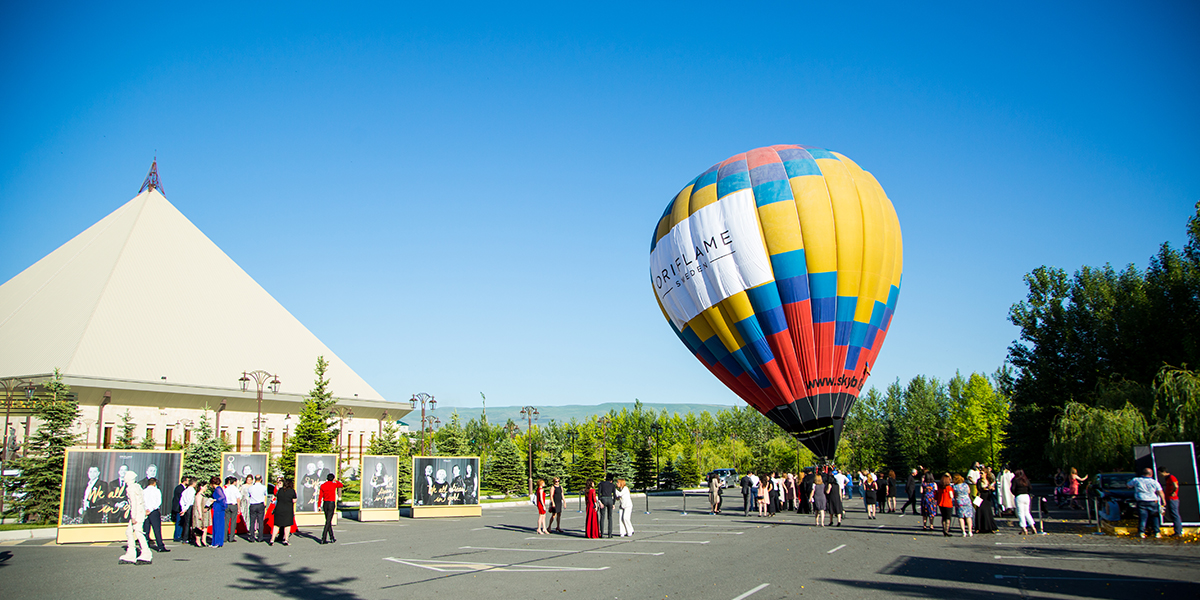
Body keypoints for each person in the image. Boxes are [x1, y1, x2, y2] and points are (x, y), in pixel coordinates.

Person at [118, 471, 152, 564]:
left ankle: (146, 552)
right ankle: (131, 552)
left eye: (126, 476)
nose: (124, 477)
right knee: (129, 531)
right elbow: (142, 500)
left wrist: (133, 516)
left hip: (137, 513)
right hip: (140, 512)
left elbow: (134, 503)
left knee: (138, 532)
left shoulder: (131, 488)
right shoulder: (137, 486)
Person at [1127, 467, 1165, 539]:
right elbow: (1160, 491)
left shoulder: (1136, 480)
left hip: (1141, 500)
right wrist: (1163, 500)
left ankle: (1141, 532)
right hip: (1153, 500)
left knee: (1143, 517)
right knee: (1154, 517)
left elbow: (1128, 485)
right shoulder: (1154, 482)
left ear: (1143, 473)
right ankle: (1157, 532)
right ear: (1151, 474)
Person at [142, 477, 169, 552]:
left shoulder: (144, 491)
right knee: (157, 529)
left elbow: (142, 501)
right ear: (154, 483)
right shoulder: (156, 490)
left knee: (146, 530)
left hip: (146, 511)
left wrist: (146, 509)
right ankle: (160, 546)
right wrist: (151, 509)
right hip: (153, 511)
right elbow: (158, 502)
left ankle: (145, 546)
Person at [271, 478, 297, 546]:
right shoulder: (292, 491)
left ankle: (272, 539)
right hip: (287, 510)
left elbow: (277, 497)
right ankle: (286, 540)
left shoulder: (280, 490)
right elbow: (294, 500)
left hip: (279, 509)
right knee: (287, 525)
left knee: (276, 525)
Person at [319, 473, 343, 544]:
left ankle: (332, 537)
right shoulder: (334, 484)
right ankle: (323, 538)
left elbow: (320, 496)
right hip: (331, 503)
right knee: (328, 521)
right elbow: (341, 485)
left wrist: (319, 505)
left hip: (325, 503)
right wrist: (336, 481)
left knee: (328, 520)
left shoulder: (323, 485)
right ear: (333, 478)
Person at [1011, 469, 1035, 535]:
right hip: (1026, 496)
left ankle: (1024, 528)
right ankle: (1032, 526)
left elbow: (1012, 489)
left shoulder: (1015, 480)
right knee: (1027, 512)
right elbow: (1030, 488)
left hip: (1019, 496)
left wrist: (1015, 493)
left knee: (1020, 513)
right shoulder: (1026, 480)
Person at [1159, 467, 1182, 537]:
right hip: (1170, 499)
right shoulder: (1168, 478)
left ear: (1164, 472)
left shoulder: (1171, 477)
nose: (1160, 475)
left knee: (1175, 515)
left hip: (1172, 499)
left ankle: (1178, 532)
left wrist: (1173, 492)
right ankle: (1177, 531)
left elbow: (1176, 485)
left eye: (1160, 473)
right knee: (1173, 515)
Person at [247, 475, 268, 542]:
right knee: (260, 521)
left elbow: (249, 495)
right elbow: (265, 495)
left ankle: (252, 537)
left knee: (252, 521)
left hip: (253, 504)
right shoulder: (263, 487)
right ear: (261, 479)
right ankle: (260, 537)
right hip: (260, 504)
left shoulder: (251, 488)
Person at [191, 480, 210, 547]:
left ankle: (203, 541)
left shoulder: (203, 495)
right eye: (205, 487)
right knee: (199, 526)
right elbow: (198, 505)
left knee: (204, 527)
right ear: (201, 487)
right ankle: (197, 541)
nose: (206, 488)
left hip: (203, 512)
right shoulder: (198, 495)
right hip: (199, 512)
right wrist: (200, 514)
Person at [210, 476, 227, 548]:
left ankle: (216, 542)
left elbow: (222, 497)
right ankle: (217, 542)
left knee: (217, 525)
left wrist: (215, 500)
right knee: (218, 525)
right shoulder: (219, 488)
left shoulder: (217, 489)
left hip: (218, 509)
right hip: (219, 508)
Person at [223, 476, 240, 543]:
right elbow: (238, 499)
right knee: (233, 521)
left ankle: (224, 537)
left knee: (226, 522)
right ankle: (231, 537)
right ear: (234, 482)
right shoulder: (235, 489)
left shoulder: (226, 489)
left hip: (227, 505)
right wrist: (239, 508)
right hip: (233, 505)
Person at [171, 476, 188, 541]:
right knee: (179, 522)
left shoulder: (181, 488)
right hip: (179, 508)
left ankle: (179, 535)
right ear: (184, 481)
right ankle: (176, 536)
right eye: (187, 480)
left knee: (181, 522)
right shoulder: (180, 488)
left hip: (180, 508)